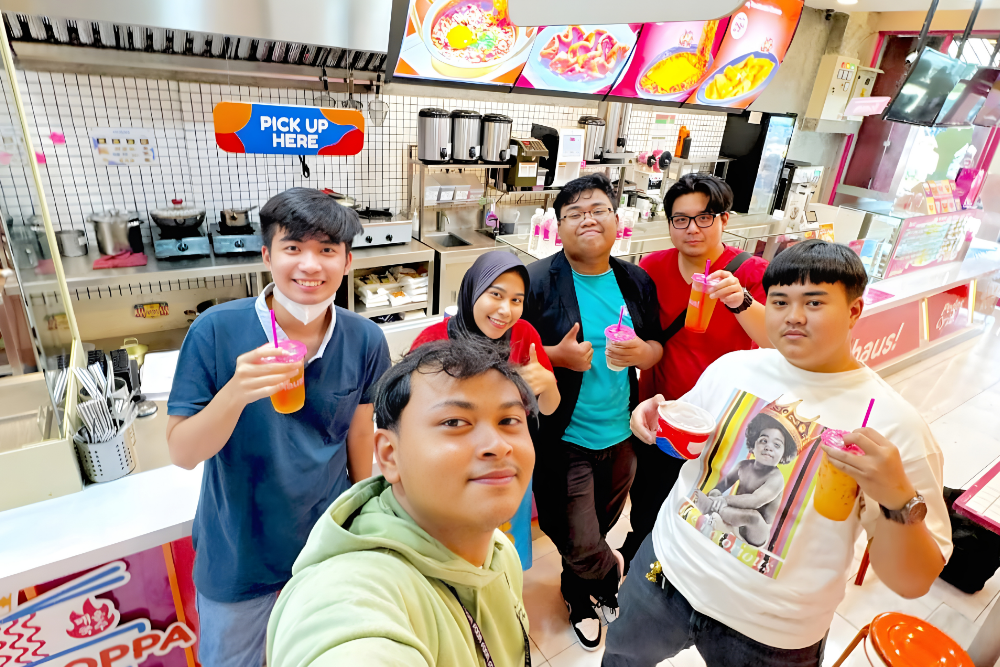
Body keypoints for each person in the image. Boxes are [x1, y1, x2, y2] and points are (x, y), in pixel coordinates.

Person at [603, 240, 952, 667]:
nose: (794, 316)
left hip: (772, 632)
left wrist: (898, 497)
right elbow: (688, 442)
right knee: (621, 659)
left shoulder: (896, 426)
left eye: (814, 302)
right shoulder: (733, 367)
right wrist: (654, 416)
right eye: (780, 301)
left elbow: (912, 582)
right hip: (664, 574)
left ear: (854, 311)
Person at [166, 188, 391, 667]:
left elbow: (358, 433)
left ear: (347, 261)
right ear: (267, 255)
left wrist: (363, 520)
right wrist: (235, 392)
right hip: (239, 558)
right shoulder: (215, 331)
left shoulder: (366, 339)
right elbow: (182, 453)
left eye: (326, 250)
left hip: (325, 550)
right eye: (293, 248)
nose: (310, 265)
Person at [267, 338, 536, 666]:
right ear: (390, 455)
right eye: (454, 422)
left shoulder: (500, 551)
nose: (498, 445)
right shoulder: (351, 592)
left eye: (508, 421)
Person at [522, 173, 663, 650]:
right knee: (580, 537)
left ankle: (577, 593)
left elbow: (656, 346)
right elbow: (504, 349)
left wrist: (643, 353)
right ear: (559, 227)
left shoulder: (635, 280)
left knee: (600, 524)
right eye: (574, 213)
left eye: (598, 209)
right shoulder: (537, 282)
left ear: (616, 220)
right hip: (564, 436)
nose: (588, 219)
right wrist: (556, 357)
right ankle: (610, 577)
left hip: (622, 433)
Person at [621, 173, 771, 571]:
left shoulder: (752, 272)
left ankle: (682, 569)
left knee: (704, 506)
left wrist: (741, 301)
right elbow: (643, 333)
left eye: (704, 217)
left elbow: (776, 341)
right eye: (681, 219)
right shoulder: (652, 267)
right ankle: (640, 563)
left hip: (722, 421)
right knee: (648, 499)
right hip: (663, 412)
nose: (692, 228)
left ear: (724, 220)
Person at [411, 250, 559, 416]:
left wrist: (547, 384)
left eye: (516, 300)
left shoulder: (524, 334)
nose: (506, 311)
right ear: (473, 290)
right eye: (496, 294)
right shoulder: (432, 340)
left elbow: (548, 409)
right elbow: (410, 410)